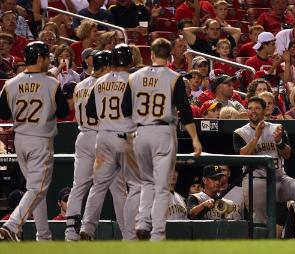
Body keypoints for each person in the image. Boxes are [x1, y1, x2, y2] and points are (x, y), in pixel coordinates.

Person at [127, 38, 202, 240]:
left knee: (146, 182)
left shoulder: (134, 77)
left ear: (150, 54)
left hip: (139, 132)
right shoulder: (173, 77)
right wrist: (195, 139)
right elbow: (185, 112)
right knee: (162, 187)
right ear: (169, 56)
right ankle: (157, 234)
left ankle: (143, 221)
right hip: (162, 131)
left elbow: (125, 109)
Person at [0, 41, 69, 241]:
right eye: (47, 57)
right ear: (39, 58)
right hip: (40, 139)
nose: (49, 61)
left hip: (20, 139)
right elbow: (64, 111)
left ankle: (43, 236)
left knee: (36, 190)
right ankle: (12, 226)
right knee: (37, 189)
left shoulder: (10, 83)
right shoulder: (51, 83)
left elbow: (3, 112)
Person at [64, 50, 127, 241]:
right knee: (118, 189)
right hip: (102, 136)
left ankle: (70, 231)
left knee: (79, 185)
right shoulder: (108, 84)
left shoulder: (79, 85)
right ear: (107, 66)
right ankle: (127, 233)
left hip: (83, 136)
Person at [81, 44, 141, 241]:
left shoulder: (99, 81)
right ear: (130, 60)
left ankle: (87, 229)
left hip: (103, 137)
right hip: (126, 138)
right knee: (136, 187)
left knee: (98, 186)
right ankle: (130, 235)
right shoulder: (134, 80)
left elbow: (90, 112)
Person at [233, 96, 295, 237]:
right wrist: (256, 137)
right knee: (259, 222)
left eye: (257, 108)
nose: (253, 111)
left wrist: (279, 141)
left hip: (278, 178)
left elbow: (287, 154)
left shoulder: (277, 128)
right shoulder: (241, 132)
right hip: (255, 180)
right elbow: (241, 156)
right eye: (250, 108)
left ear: (264, 111)